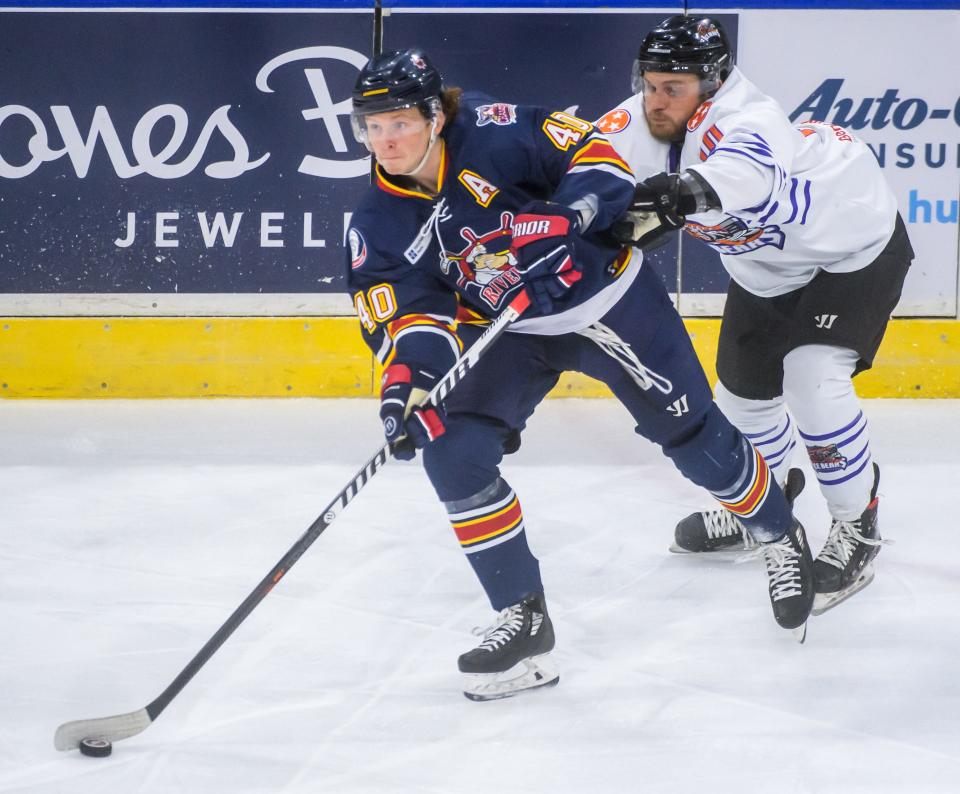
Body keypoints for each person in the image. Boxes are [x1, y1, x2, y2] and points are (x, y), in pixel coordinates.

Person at [345, 48, 814, 701]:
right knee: (452, 454)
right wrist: (410, 387)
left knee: (694, 439)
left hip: (610, 304)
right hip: (512, 333)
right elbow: (411, 317)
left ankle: (775, 528)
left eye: (397, 122)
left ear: (432, 114)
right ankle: (523, 618)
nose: (384, 140)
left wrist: (567, 220)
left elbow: (599, 159)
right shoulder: (378, 221)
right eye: (371, 127)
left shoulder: (499, 130)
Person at [598, 15, 913, 616]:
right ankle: (769, 503)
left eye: (675, 88)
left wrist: (675, 196)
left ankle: (858, 525)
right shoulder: (643, 116)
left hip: (854, 248)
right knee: (742, 399)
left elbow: (740, 175)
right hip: (767, 267)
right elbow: (582, 161)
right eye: (652, 83)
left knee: (813, 380)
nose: (657, 101)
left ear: (713, 82)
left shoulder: (751, 119)